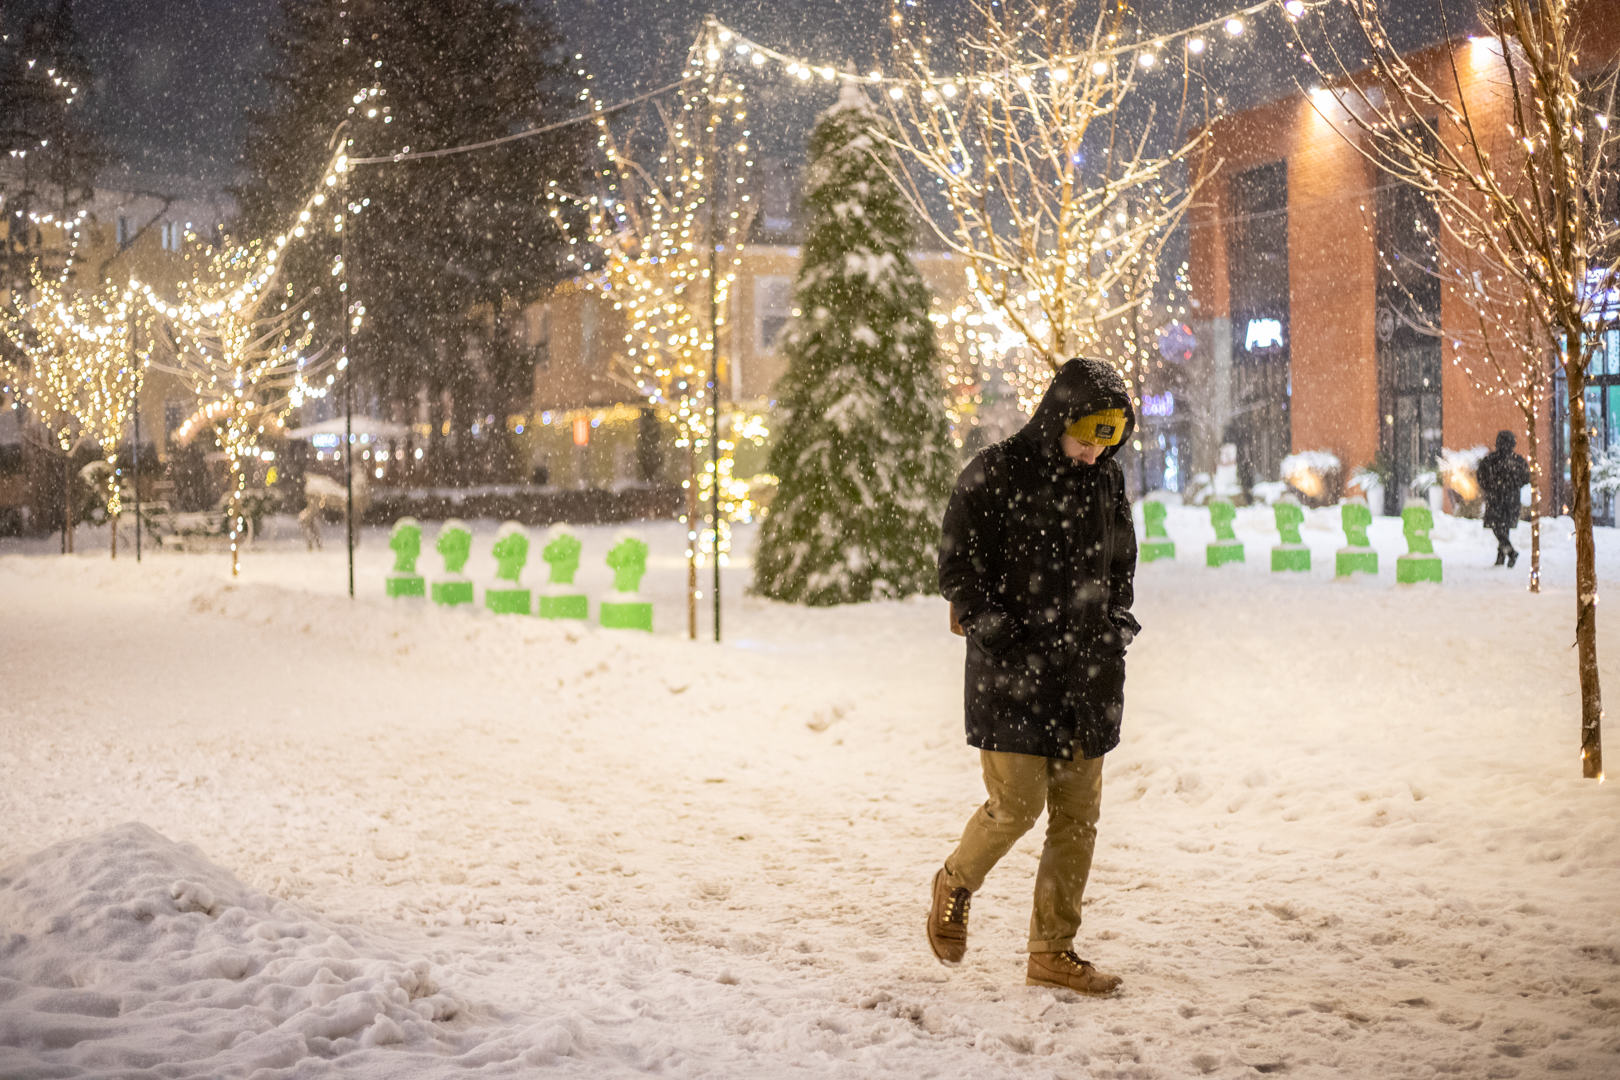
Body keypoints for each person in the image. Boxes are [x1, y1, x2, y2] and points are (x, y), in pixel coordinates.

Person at [929, 357, 1139, 996]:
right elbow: (957, 567)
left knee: (1077, 818)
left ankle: (1052, 950)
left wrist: (1116, 626)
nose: (1091, 455)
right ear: (1058, 418)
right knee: (1016, 807)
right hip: (1015, 677)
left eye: (1107, 443)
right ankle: (955, 880)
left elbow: (1121, 564)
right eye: (1085, 439)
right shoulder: (994, 474)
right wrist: (992, 628)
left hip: (1087, 678)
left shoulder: (1104, 479)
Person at [1475, 430, 1530, 567]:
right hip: (1511, 500)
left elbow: (1481, 476)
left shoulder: (1491, 460)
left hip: (1496, 499)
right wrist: (1513, 486)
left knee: (1498, 527)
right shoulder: (1517, 461)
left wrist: (1490, 487)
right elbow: (1526, 478)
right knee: (1503, 528)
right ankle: (1502, 555)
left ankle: (1509, 552)